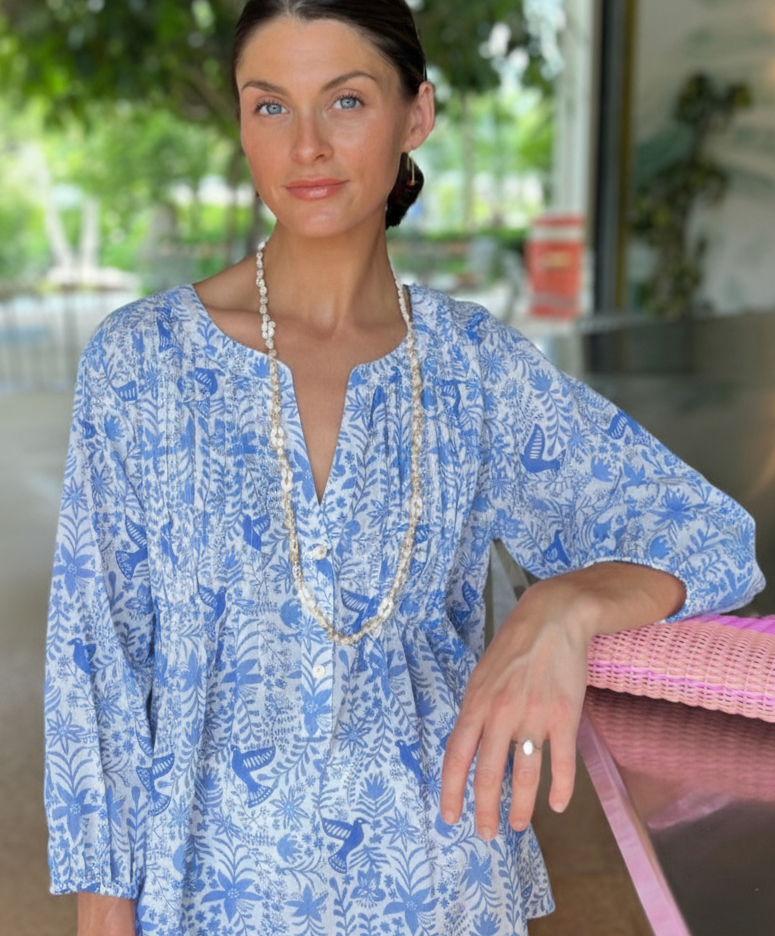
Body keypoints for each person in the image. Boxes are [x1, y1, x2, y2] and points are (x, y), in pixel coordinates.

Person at [44, 1, 764, 934]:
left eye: (344, 101)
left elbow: (710, 538)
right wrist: (105, 911)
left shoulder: (475, 368)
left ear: (414, 115)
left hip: (439, 883)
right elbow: (96, 659)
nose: (305, 145)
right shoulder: (141, 362)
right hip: (208, 895)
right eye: (269, 107)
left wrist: (562, 606)